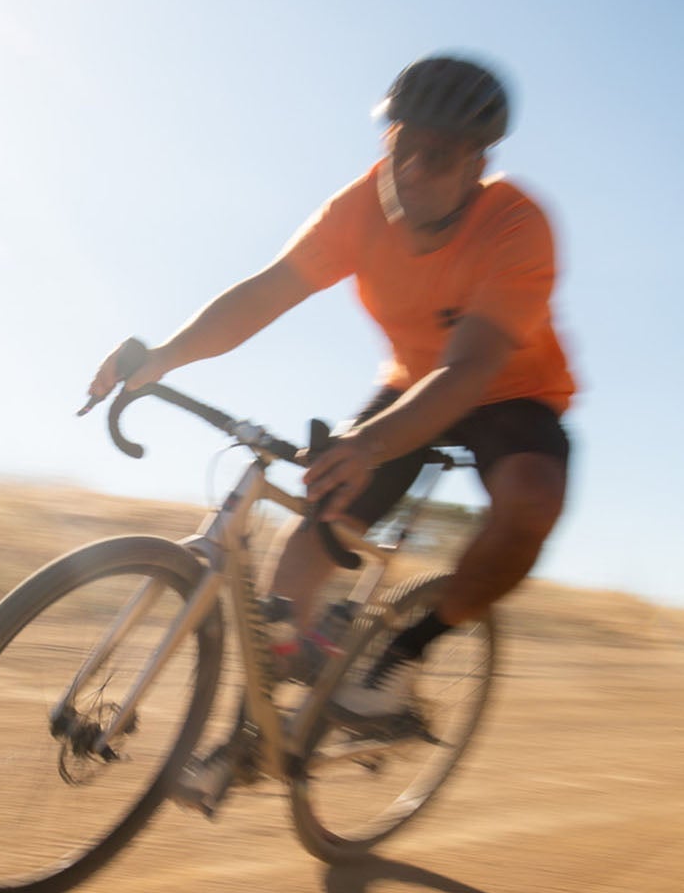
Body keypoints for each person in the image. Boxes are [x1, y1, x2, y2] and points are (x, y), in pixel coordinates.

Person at [87, 54, 574, 718]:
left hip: (507, 390)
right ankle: (263, 720)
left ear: (476, 166)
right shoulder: (359, 209)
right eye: (402, 145)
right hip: (412, 385)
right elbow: (266, 293)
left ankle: (407, 653)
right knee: (312, 537)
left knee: (532, 501)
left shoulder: (517, 225)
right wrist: (165, 356)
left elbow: (469, 369)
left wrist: (370, 444)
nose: (411, 170)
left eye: (438, 155)